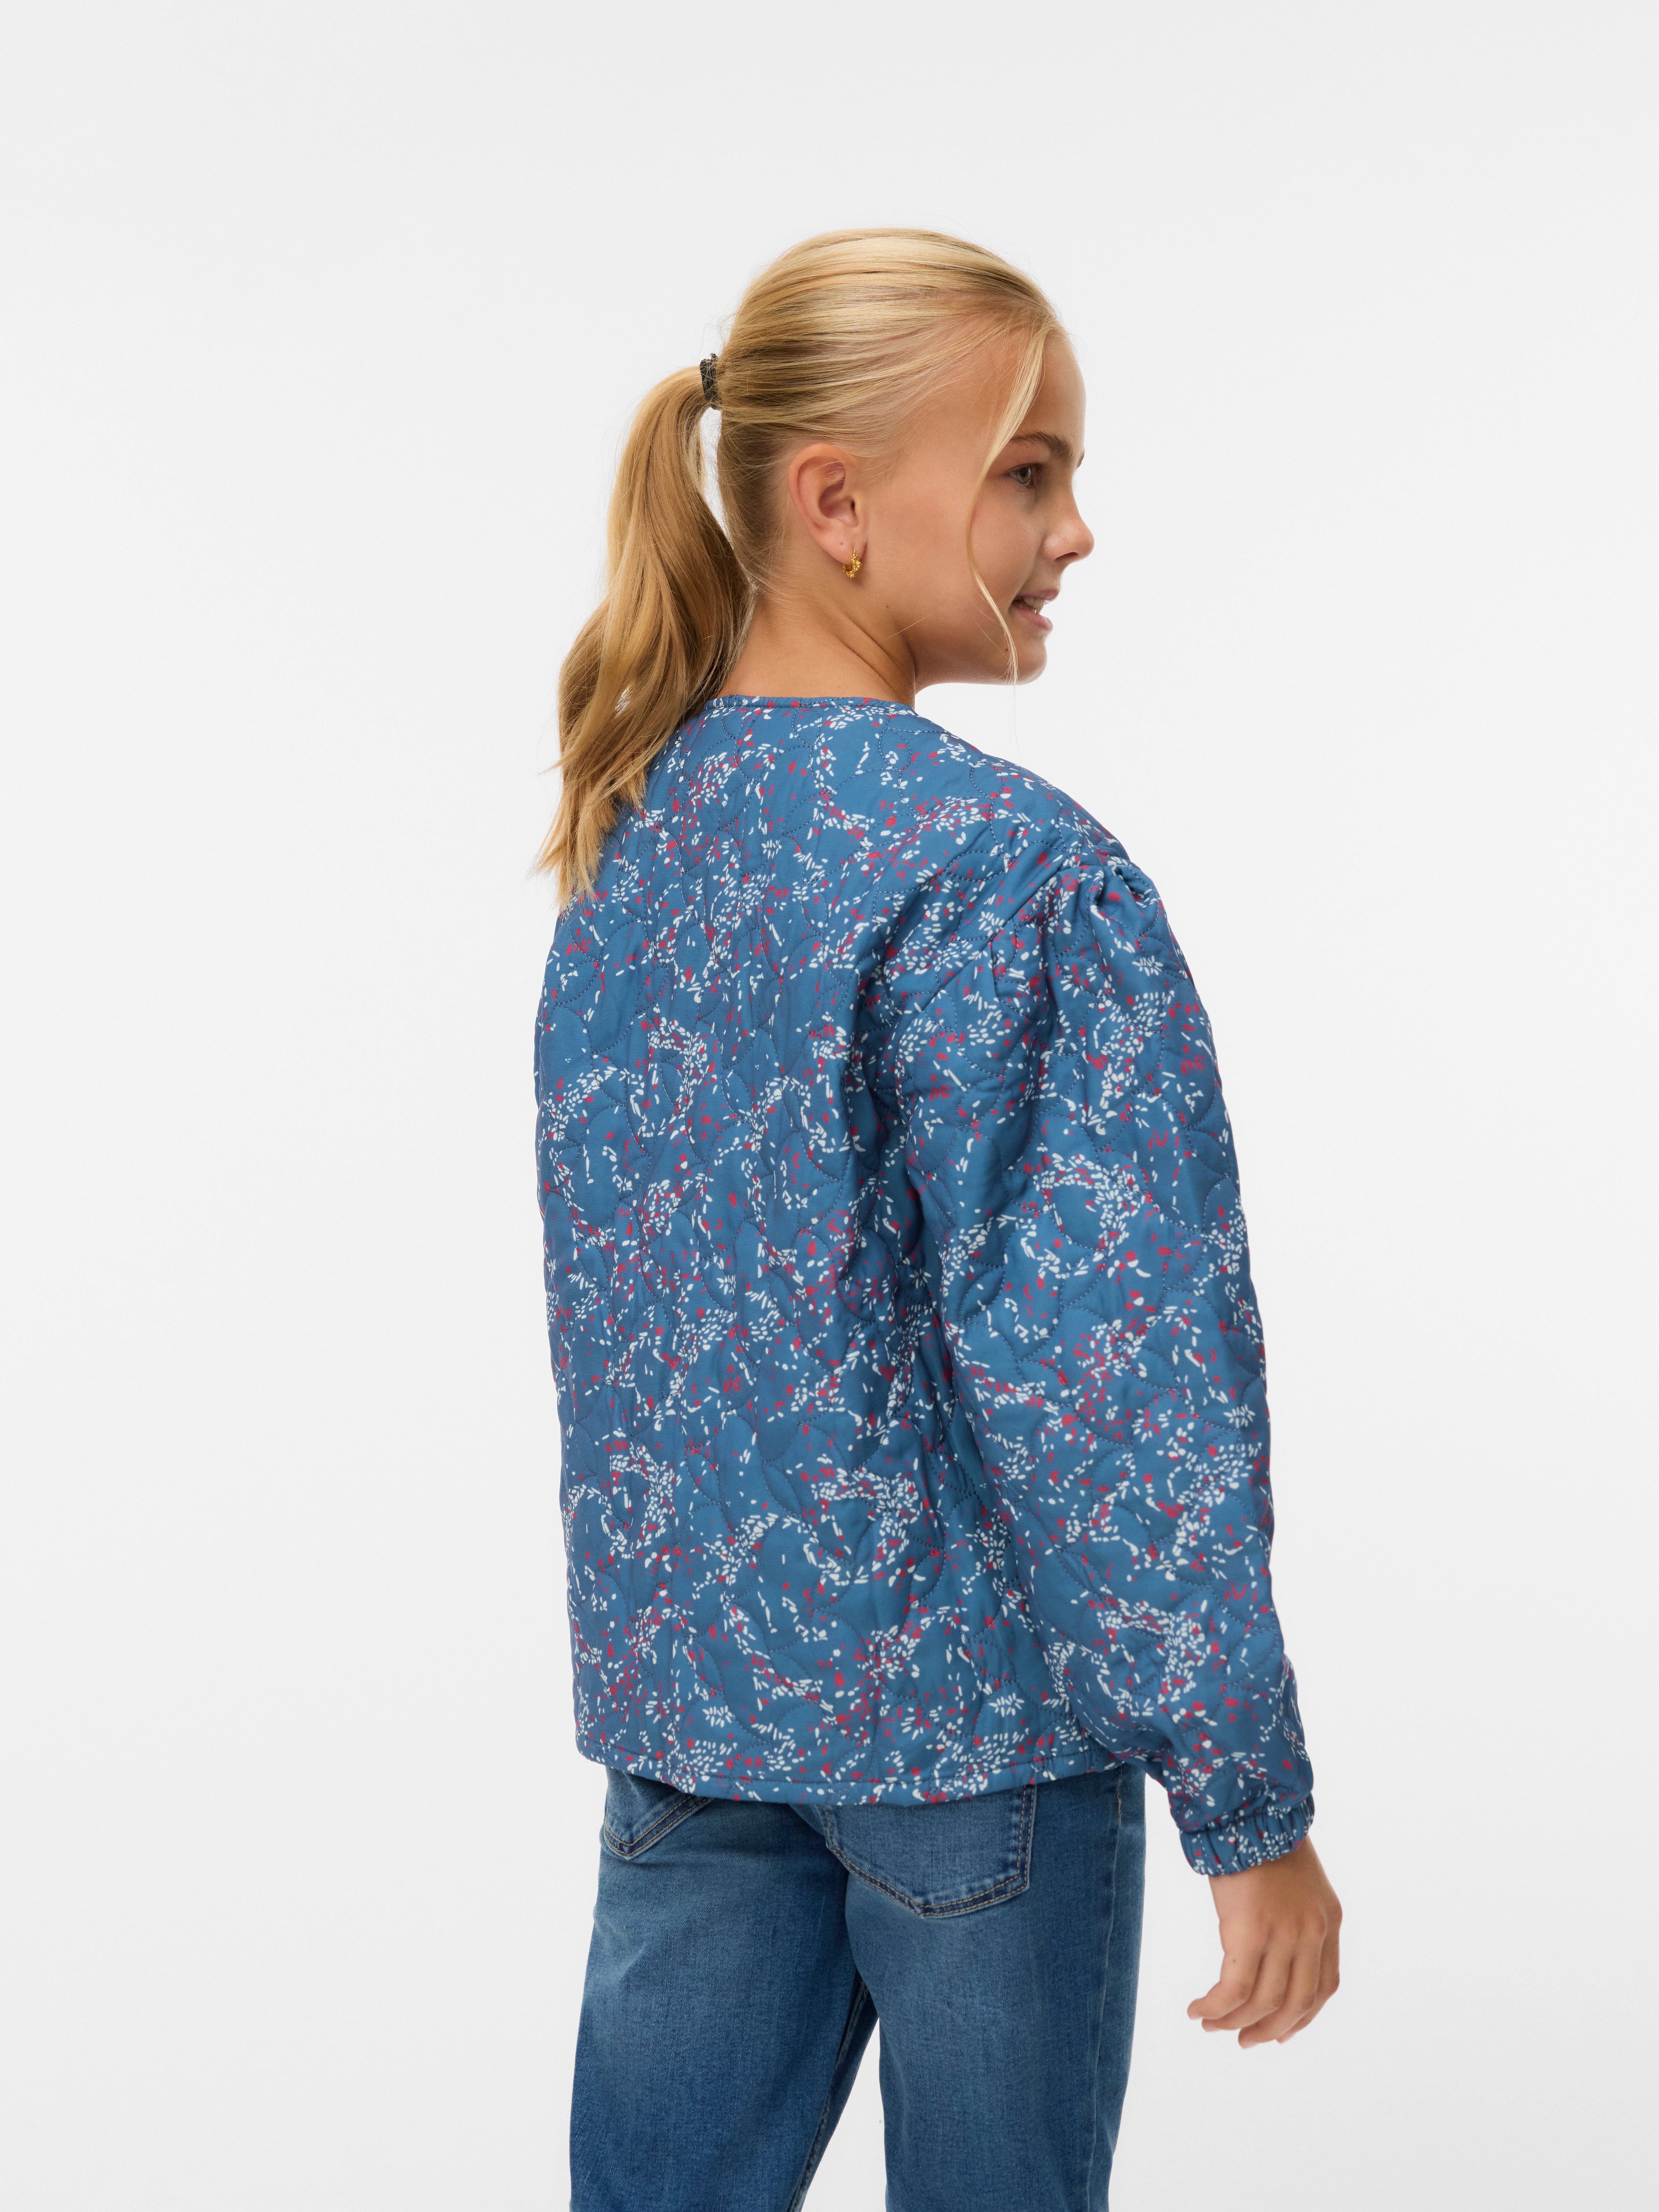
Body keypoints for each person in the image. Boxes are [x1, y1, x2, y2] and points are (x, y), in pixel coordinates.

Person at [533, 229, 1341, 2212]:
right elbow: (1110, 1373)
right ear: (836, 503)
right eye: (1028, 473)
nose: (1076, 531)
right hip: (978, 1746)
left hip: (697, 1734)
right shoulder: (1004, 872)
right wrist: (1248, 1799)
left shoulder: (638, 836)